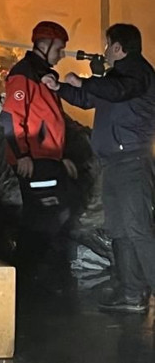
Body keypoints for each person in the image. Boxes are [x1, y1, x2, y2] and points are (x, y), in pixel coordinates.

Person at [43, 23, 155, 313]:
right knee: (119, 230)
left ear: (119, 47)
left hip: (132, 162)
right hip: (114, 164)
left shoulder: (138, 73)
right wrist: (61, 88)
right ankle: (131, 294)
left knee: (139, 230)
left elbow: (116, 90)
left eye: (108, 45)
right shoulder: (113, 78)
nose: (105, 50)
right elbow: (88, 98)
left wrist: (86, 81)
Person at [0, 21, 79, 279]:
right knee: (46, 217)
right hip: (34, 159)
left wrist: (61, 156)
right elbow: (11, 117)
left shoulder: (42, 75)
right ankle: (28, 277)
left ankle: (31, 276)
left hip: (47, 158)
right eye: (60, 48)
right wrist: (22, 154)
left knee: (52, 214)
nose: (62, 54)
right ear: (44, 46)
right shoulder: (24, 74)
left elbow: (49, 119)